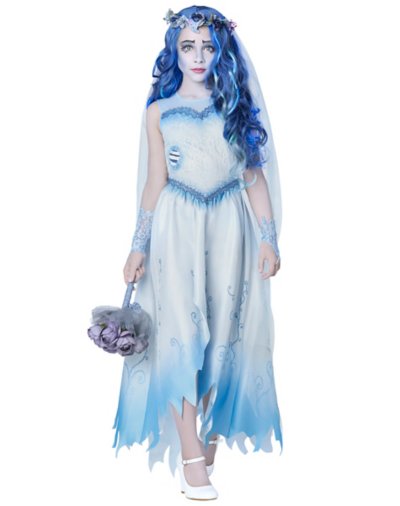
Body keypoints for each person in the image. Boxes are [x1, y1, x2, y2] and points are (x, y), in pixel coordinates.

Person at [112, 5, 283, 500]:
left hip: (229, 228)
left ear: (221, 50)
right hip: (176, 230)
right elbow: (154, 182)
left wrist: (269, 237)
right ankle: (190, 453)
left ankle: (205, 434)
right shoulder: (159, 112)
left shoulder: (234, 106)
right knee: (181, 336)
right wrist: (137, 245)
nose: (198, 56)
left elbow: (253, 176)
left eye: (208, 46)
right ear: (175, 50)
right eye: (188, 46)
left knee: (221, 336)